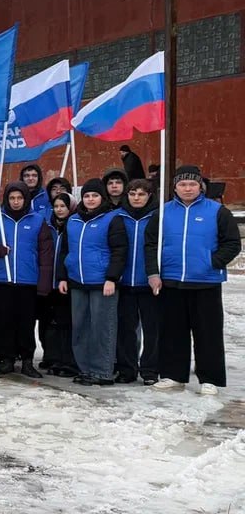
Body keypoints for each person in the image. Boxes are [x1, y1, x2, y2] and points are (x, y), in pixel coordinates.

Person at [146, 165, 242, 395]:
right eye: (182, 184)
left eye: (192, 184)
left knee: (207, 333)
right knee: (172, 332)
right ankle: (172, 375)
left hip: (205, 281)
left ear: (201, 186)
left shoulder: (217, 211)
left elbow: (232, 243)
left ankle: (210, 379)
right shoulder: (163, 212)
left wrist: (212, 261)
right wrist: (153, 273)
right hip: (171, 280)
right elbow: (150, 244)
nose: (187, 188)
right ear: (175, 187)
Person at [0, 183, 54, 378]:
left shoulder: (38, 221)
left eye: (19, 198)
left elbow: (46, 254)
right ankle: (6, 359)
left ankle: (27, 360)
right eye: (12, 198)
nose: (16, 202)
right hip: (2, 280)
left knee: (26, 323)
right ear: (7, 199)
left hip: (27, 281)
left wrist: (44, 283)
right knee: (3, 322)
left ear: (25, 199)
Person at [57, 179, 127, 386]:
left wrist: (112, 278)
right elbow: (64, 250)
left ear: (102, 197)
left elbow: (119, 251)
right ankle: (85, 368)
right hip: (77, 280)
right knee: (80, 327)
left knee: (102, 327)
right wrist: (62, 276)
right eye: (87, 196)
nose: (90, 199)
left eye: (94, 196)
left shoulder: (112, 219)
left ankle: (103, 371)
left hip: (102, 282)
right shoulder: (74, 220)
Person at [115, 180, 159, 385]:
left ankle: (150, 370)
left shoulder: (158, 217)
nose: (136, 198)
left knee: (152, 329)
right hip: (125, 282)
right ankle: (127, 369)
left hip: (150, 282)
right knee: (126, 330)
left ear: (149, 196)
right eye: (133, 194)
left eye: (141, 194)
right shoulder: (119, 217)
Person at [40, 193, 77, 377]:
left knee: (66, 323)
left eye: (63, 206)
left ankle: (68, 361)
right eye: (56, 206)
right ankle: (52, 358)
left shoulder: (76, 224)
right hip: (49, 282)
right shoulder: (47, 226)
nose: (60, 209)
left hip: (68, 282)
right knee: (50, 323)